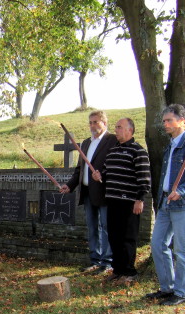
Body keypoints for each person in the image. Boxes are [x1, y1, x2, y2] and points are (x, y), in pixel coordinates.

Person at [146, 104, 185, 306]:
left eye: (169, 120)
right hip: (165, 202)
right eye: (164, 121)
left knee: (182, 249)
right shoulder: (170, 146)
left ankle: (181, 292)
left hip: (183, 204)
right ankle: (167, 288)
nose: (165, 124)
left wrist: (181, 191)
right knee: (158, 244)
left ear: (182, 120)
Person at [92, 118, 151, 282]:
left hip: (129, 202)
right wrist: (99, 176)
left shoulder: (138, 151)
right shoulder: (112, 151)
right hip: (112, 201)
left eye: (119, 127)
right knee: (114, 237)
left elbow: (144, 178)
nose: (116, 130)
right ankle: (117, 270)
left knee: (128, 238)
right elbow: (106, 174)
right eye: (116, 127)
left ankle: (129, 272)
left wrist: (140, 199)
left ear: (129, 130)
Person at [60, 110, 117, 274]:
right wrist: (70, 186)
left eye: (96, 122)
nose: (92, 125)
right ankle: (95, 260)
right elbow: (80, 169)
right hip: (87, 192)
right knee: (92, 228)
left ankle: (107, 262)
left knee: (106, 227)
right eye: (90, 122)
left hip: (104, 192)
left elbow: (115, 164)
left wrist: (103, 174)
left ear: (104, 123)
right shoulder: (86, 143)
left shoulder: (112, 140)